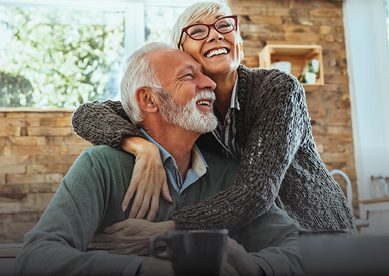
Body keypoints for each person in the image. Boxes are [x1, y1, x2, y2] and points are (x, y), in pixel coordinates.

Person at [16, 43, 303, 276]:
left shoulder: (229, 175)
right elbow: (36, 258)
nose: (210, 84)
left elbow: (295, 250)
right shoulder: (100, 166)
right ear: (149, 100)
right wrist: (142, 269)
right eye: (190, 76)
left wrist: (250, 265)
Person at [72, 1, 354, 233]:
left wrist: (170, 228)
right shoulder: (187, 110)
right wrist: (140, 146)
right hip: (260, 237)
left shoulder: (278, 89)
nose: (216, 35)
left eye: (223, 25)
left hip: (318, 233)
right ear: (183, 54)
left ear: (238, 42)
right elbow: (87, 114)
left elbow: (255, 192)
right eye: (197, 31)